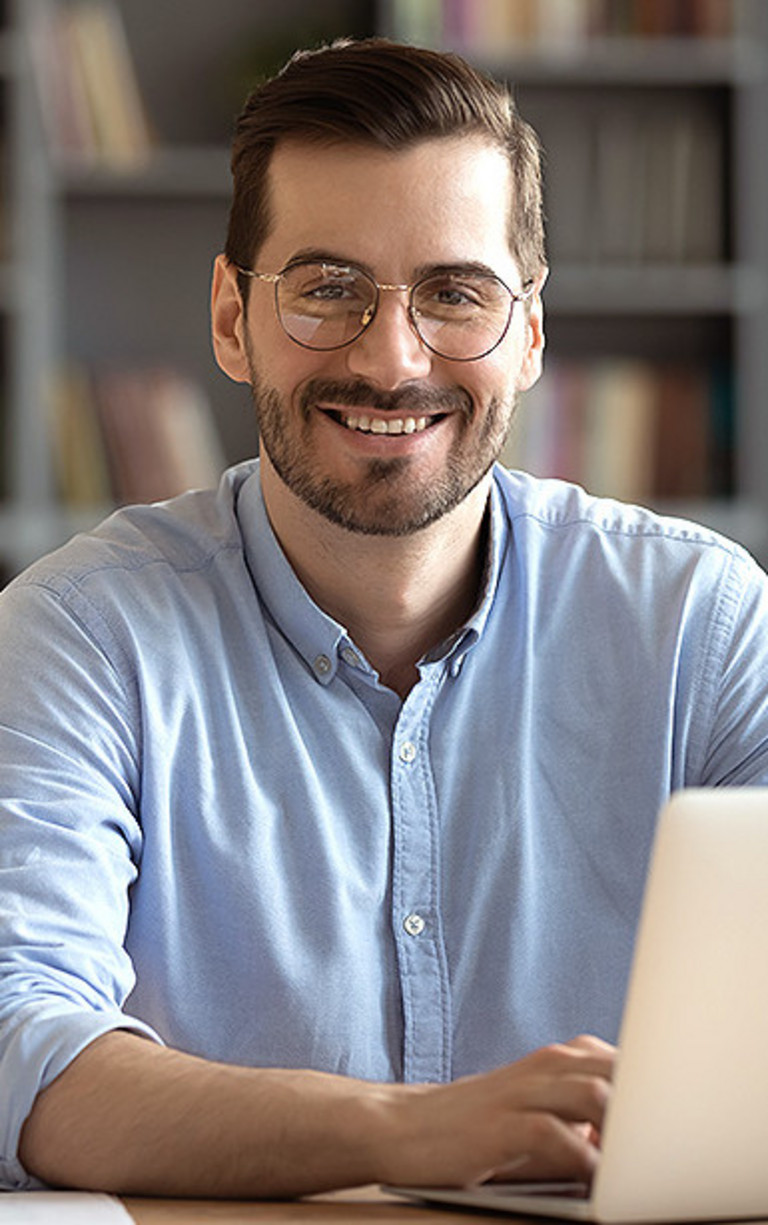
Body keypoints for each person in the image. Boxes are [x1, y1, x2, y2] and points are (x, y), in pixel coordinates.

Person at [1, 36, 767, 1199]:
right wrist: (404, 1133)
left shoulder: (702, 627)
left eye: (456, 293)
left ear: (532, 333)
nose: (392, 357)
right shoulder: (79, 635)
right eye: (327, 289)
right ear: (229, 317)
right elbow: (20, 1051)